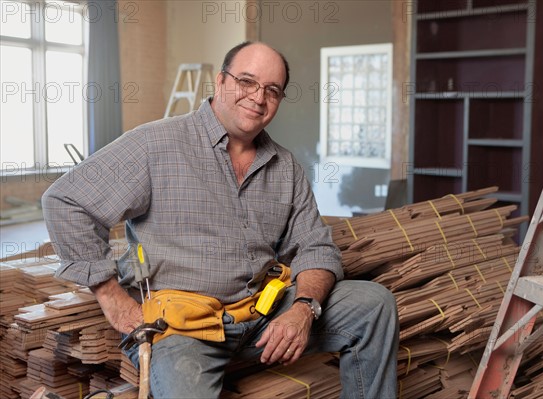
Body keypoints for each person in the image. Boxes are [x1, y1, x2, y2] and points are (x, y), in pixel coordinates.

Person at [42, 41, 399, 398]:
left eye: (272, 90)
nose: (258, 98)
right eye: (247, 81)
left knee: (373, 305)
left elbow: (315, 247)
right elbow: (65, 201)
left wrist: (304, 308)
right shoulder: (156, 145)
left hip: (261, 314)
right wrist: (111, 297)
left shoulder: (285, 167)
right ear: (220, 81)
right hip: (181, 329)